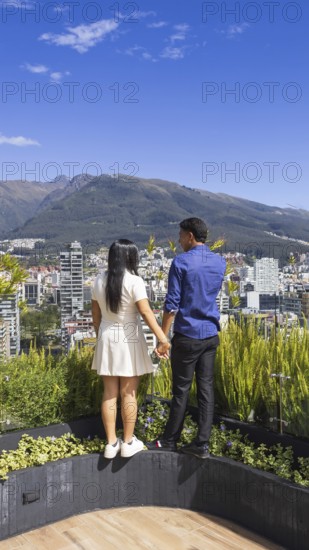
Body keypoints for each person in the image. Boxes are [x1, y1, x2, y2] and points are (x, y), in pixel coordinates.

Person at [147, 218, 226, 458]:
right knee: (206, 390)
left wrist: (163, 337)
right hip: (211, 335)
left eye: (180, 236)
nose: (179, 240)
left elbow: (171, 305)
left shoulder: (181, 262)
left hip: (188, 335)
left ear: (190, 236)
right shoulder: (220, 262)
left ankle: (170, 440)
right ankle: (202, 444)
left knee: (181, 390)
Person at [91, 239, 170, 459]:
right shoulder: (135, 281)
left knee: (109, 394)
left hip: (107, 336)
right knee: (129, 393)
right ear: (130, 257)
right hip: (129, 338)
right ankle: (128, 441)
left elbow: (95, 316)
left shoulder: (98, 280)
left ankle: (110, 443)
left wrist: (101, 337)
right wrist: (163, 339)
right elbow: (146, 313)